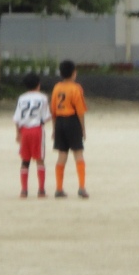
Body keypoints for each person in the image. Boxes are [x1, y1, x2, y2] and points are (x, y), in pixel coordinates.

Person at [51, 59, 89, 199]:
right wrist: (83, 128)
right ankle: (82, 187)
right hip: (72, 121)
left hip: (60, 122)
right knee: (78, 153)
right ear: (74, 73)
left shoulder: (56, 88)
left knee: (62, 155)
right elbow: (80, 111)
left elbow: (53, 110)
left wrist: (54, 129)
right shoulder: (76, 88)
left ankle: (59, 188)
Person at [13, 72, 51, 199]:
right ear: (38, 85)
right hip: (37, 129)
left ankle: (24, 190)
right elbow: (47, 116)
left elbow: (17, 118)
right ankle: (41, 190)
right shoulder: (43, 98)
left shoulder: (21, 98)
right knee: (40, 159)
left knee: (25, 160)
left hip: (24, 130)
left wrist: (18, 133)